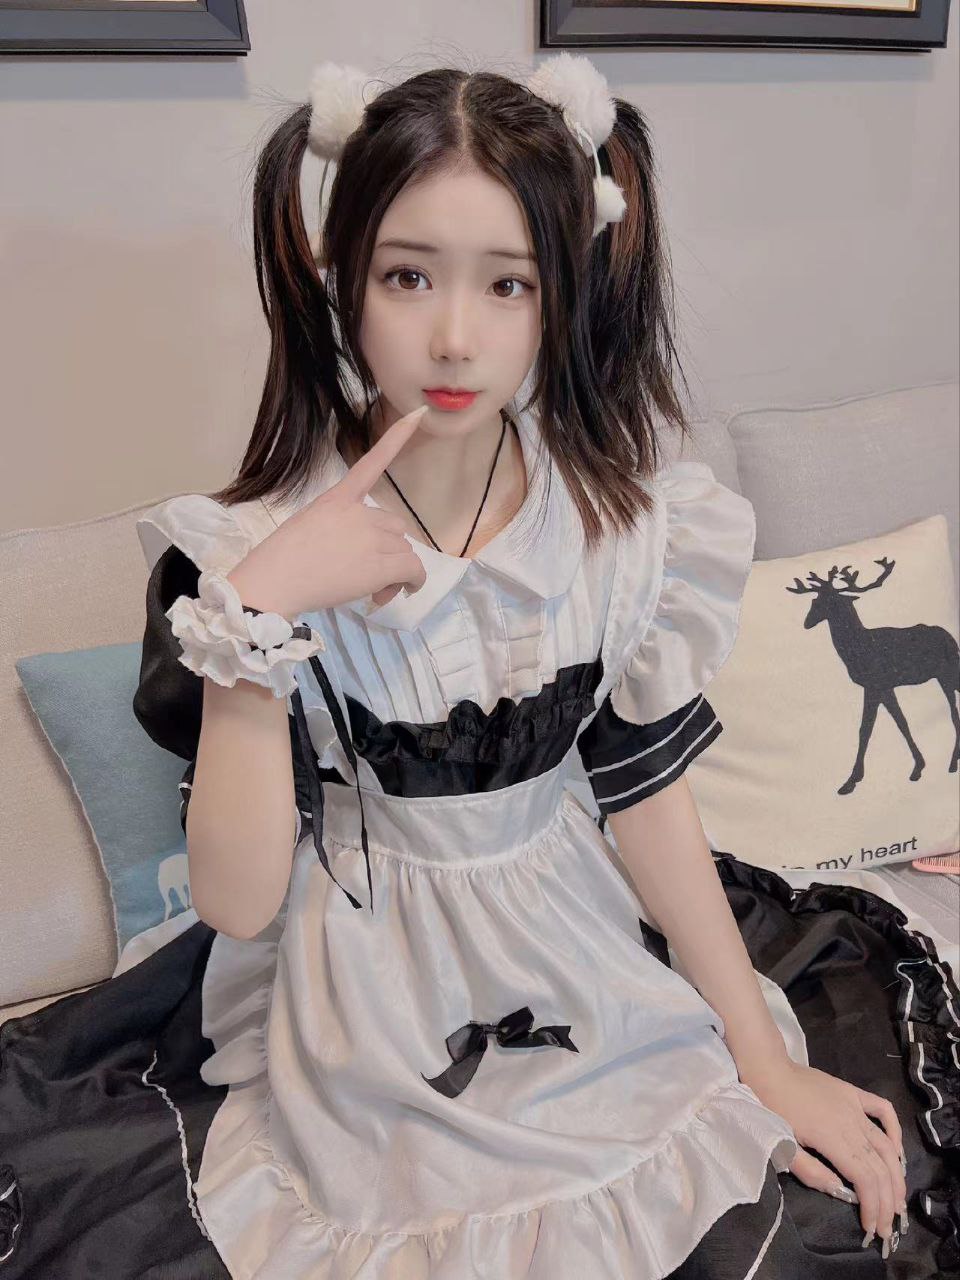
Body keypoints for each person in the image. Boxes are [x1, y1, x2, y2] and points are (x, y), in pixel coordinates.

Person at [1, 55, 955, 1280]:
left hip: (580, 943)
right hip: (365, 992)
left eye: (508, 284)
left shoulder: (622, 528)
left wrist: (763, 1057)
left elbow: (646, 799)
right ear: (342, 280)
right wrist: (262, 613)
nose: (456, 336)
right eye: (408, 275)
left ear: (561, 294)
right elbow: (237, 901)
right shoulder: (243, 555)